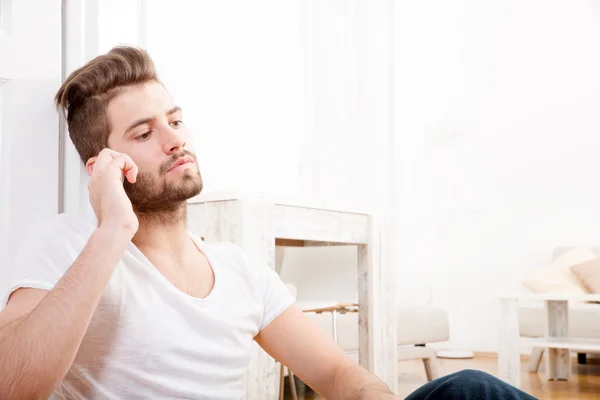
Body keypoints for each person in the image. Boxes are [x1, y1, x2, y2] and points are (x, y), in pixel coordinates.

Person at [0, 46, 536, 400]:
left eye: (176, 119)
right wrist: (112, 229)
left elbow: (334, 374)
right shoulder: (70, 246)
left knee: (468, 390)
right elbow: (12, 383)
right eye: (144, 132)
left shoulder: (239, 270)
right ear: (102, 167)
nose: (174, 138)